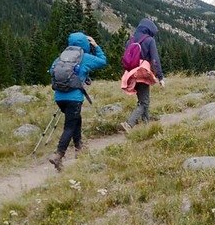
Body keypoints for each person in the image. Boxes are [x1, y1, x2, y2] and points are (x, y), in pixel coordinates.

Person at [47, 31, 107, 171]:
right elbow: (103, 61)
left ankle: (79, 147)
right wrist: (96, 46)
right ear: (85, 44)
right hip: (74, 98)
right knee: (69, 126)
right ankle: (58, 155)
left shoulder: (61, 58)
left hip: (59, 98)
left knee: (75, 120)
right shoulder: (84, 57)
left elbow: (51, 71)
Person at [120, 18, 165, 132]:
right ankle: (129, 123)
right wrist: (160, 77)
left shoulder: (130, 41)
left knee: (143, 99)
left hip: (131, 73)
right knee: (144, 102)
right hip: (142, 73)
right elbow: (155, 59)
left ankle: (146, 124)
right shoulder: (149, 40)